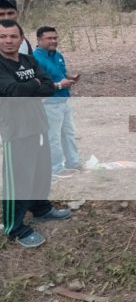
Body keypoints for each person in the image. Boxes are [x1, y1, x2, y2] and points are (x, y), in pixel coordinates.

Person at [0, 19, 72, 248]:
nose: (8, 40)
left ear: (22, 39)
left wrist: (34, 85)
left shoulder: (29, 59)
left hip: (38, 123)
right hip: (16, 129)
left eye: (13, 36)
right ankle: (14, 227)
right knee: (18, 179)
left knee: (41, 171)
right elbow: (12, 91)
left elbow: (49, 85)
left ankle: (41, 208)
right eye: (3, 36)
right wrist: (35, 83)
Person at [33, 26, 81, 177]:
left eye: (55, 38)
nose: (53, 41)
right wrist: (60, 84)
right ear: (39, 40)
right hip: (49, 103)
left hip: (64, 100)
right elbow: (37, 85)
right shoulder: (35, 59)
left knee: (69, 133)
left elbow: (60, 72)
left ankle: (73, 163)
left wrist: (70, 77)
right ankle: (55, 169)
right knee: (53, 138)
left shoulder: (57, 54)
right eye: (49, 38)